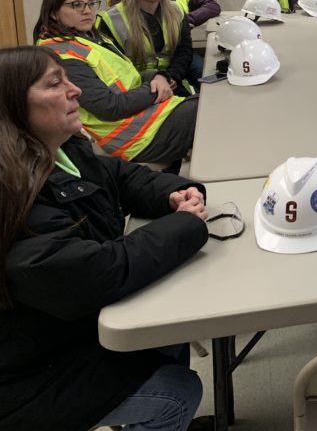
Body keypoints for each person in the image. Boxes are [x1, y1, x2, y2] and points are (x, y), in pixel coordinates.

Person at [0, 46, 209, 431]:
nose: (73, 90)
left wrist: (174, 192)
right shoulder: (11, 195)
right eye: (54, 84)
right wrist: (186, 224)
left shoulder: (62, 150)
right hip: (26, 377)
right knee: (175, 394)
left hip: (65, 330)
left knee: (171, 324)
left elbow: (120, 176)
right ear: (13, 106)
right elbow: (96, 272)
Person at [35, 0, 198, 164]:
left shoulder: (88, 39)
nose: (87, 10)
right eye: (76, 5)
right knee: (209, 111)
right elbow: (109, 107)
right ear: (54, 13)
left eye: (90, 3)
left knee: (209, 107)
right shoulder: (61, 56)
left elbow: (129, 79)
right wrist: (154, 89)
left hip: (152, 119)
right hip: (137, 138)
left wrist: (158, 76)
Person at [98, 0, 195, 97]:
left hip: (170, 80)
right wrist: (155, 78)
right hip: (134, 86)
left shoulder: (177, 11)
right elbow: (115, 67)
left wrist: (172, 76)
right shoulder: (111, 20)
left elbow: (184, 50)